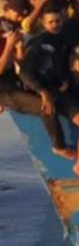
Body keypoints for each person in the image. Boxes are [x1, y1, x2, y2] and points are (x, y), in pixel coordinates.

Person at [18, 5, 79, 182]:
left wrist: (65, 80)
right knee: (47, 108)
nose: (55, 25)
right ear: (44, 24)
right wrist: (42, 91)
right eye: (51, 22)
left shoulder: (64, 38)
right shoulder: (38, 43)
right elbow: (25, 72)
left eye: (58, 21)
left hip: (60, 91)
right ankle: (58, 146)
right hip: (42, 91)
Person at [0, 26, 73, 163]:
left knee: (51, 97)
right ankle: (59, 146)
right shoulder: (6, 42)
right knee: (44, 107)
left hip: (15, 84)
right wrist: (9, 45)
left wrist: (19, 46)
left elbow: (19, 62)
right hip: (4, 92)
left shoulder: (3, 40)